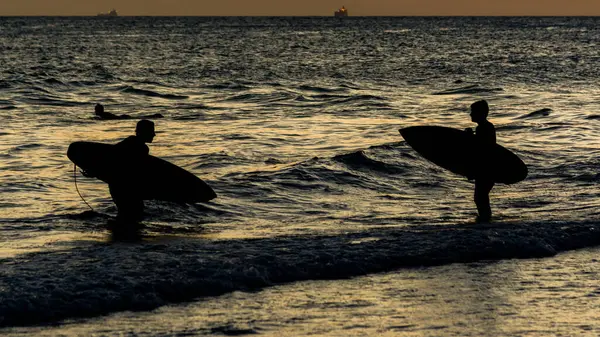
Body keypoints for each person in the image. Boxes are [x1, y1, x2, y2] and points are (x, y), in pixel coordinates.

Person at [109, 119, 156, 226]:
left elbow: (110, 158)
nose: (154, 134)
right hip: (126, 188)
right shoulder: (141, 148)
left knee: (125, 214)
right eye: (151, 131)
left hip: (116, 187)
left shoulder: (127, 142)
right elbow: (139, 171)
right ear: (143, 132)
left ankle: (120, 235)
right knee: (133, 215)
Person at [465, 100, 496, 222]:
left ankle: (485, 221)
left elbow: (481, 149)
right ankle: (485, 220)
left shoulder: (484, 128)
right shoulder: (485, 127)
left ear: (481, 113)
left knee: (480, 197)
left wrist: (470, 137)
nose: (471, 114)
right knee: (481, 197)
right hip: (488, 167)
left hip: (486, 168)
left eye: (473, 112)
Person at [94, 103, 164, 120]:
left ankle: (155, 116)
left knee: (139, 117)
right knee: (139, 117)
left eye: (95, 110)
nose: (95, 111)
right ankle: (155, 116)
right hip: (122, 117)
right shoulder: (104, 114)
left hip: (122, 118)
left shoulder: (103, 116)